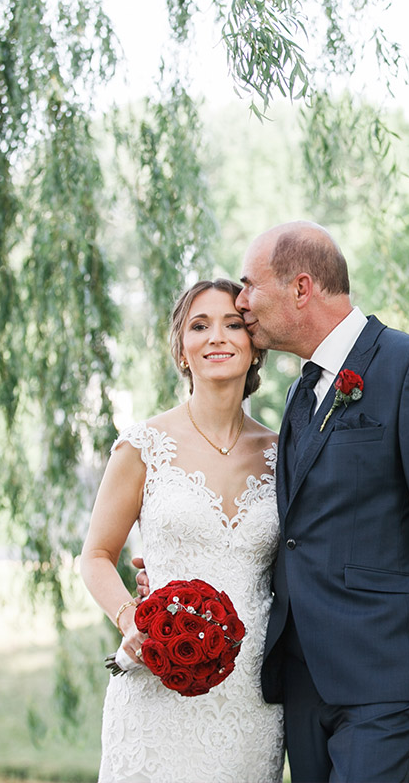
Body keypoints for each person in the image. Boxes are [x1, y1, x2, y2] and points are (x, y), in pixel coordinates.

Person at [238, 220, 409, 781]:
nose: (241, 301)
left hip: (383, 677)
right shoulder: (301, 389)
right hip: (301, 679)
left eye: (249, 284)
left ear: (301, 288)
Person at [80, 279, 284, 782]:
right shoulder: (143, 446)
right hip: (159, 686)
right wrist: (133, 619)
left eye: (233, 324)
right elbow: (97, 555)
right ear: (182, 348)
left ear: (254, 345)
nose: (217, 336)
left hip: (252, 698)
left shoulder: (285, 453)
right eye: (200, 325)